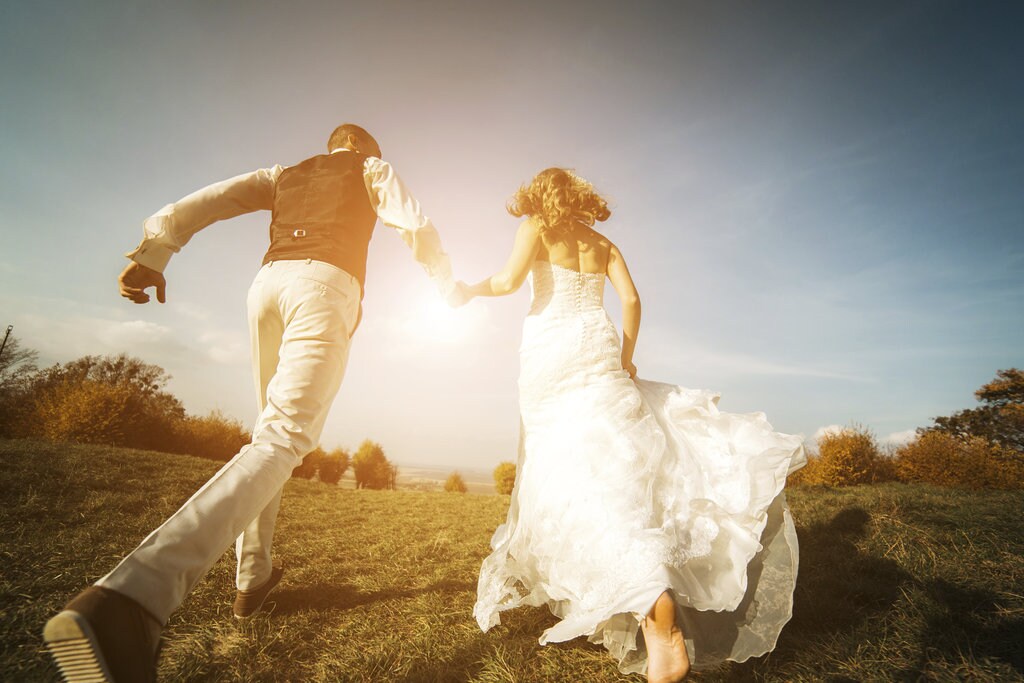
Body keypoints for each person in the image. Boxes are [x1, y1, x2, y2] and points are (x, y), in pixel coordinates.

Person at [43, 123, 460, 683]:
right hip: (324, 286)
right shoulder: (369, 169)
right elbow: (414, 223)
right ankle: (134, 597)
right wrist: (444, 282)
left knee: (267, 437)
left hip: (266, 286)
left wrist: (157, 249)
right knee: (284, 437)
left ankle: (251, 580)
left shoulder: (282, 173)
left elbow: (212, 199)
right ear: (362, 147)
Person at [459, 168, 806, 683]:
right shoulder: (604, 243)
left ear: (538, 197)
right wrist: (625, 357)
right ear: (580, 197)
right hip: (597, 346)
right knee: (612, 462)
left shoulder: (535, 228)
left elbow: (509, 282)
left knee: (569, 468)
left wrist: (468, 289)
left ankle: (646, 595)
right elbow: (632, 301)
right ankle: (650, 614)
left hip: (550, 352)